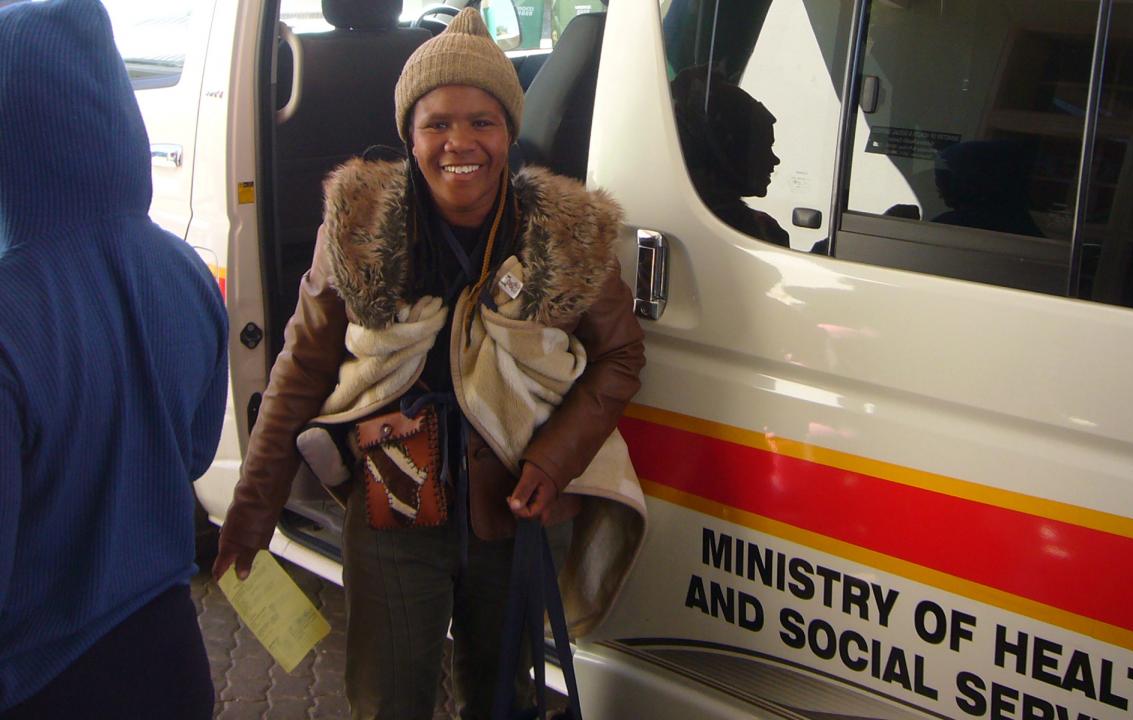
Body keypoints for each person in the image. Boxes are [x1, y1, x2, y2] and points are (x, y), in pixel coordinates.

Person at [213, 9, 646, 719]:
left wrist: (554, 461)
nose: (460, 143)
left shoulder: (565, 234)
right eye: (437, 123)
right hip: (392, 512)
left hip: (511, 507)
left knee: (502, 700)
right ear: (410, 135)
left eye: (482, 122)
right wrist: (253, 508)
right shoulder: (356, 231)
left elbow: (621, 355)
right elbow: (298, 370)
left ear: (509, 132)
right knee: (389, 702)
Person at [0, 1, 229, 717]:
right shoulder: (183, 269)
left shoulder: (11, 310)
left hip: (41, 680)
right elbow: (193, 453)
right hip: (171, 657)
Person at [671, 65, 790, 248]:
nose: (774, 160)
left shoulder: (684, 214)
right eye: (765, 148)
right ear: (732, 150)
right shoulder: (741, 232)